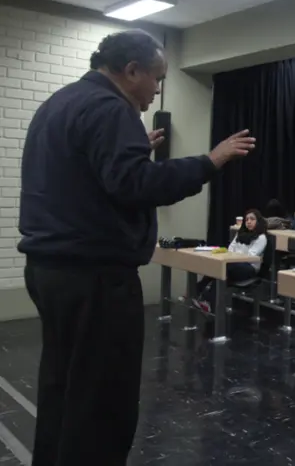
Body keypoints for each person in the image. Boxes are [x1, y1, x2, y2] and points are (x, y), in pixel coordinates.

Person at [19, 29, 255, 465]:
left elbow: (87, 175)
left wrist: (128, 151)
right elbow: (135, 185)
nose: (158, 89)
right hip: (96, 279)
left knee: (63, 388)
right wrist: (210, 161)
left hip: (51, 271)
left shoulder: (60, 103)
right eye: (157, 78)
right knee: (102, 402)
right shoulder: (112, 109)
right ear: (131, 71)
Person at [193, 209, 268, 313]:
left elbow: (251, 255)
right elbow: (231, 248)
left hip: (250, 268)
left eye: (252, 219)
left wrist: (234, 256)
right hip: (234, 264)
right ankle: (207, 301)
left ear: (258, 221)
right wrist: (234, 256)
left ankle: (197, 291)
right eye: (247, 219)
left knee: (224, 267)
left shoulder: (261, 237)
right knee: (220, 270)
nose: (249, 222)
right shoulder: (240, 233)